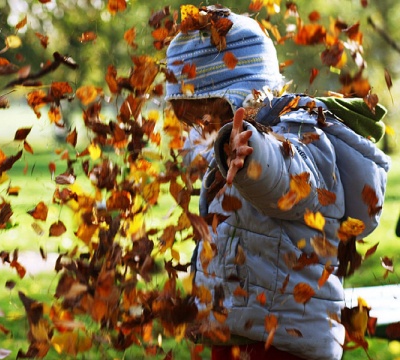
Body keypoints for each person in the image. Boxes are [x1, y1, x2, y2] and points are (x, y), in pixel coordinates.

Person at [164, 5, 390, 360]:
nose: (205, 128)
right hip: (238, 327)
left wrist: (254, 155)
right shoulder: (231, 147)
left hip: (284, 338)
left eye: (211, 113)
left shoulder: (298, 134)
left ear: (243, 95)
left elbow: (288, 180)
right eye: (195, 119)